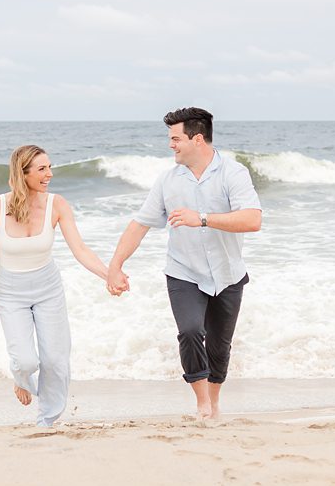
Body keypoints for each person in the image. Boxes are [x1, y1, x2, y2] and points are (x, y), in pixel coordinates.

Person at [105, 108, 261, 421]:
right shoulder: (167, 180)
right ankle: (202, 402)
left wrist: (201, 219)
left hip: (228, 273)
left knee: (219, 345)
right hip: (183, 271)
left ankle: (214, 403)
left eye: (176, 139)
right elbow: (140, 224)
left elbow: (253, 219)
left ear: (197, 139)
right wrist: (115, 265)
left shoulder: (233, 173)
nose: (171, 145)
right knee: (190, 331)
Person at [0, 144, 115, 427]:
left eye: (50, 167)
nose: (50, 174)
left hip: (48, 288)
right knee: (25, 361)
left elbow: (81, 249)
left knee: (55, 360)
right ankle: (21, 379)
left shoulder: (57, 204)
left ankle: (46, 420)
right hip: (11, 292)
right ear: (22, 173)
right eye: (42, 169)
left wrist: (109, 274)